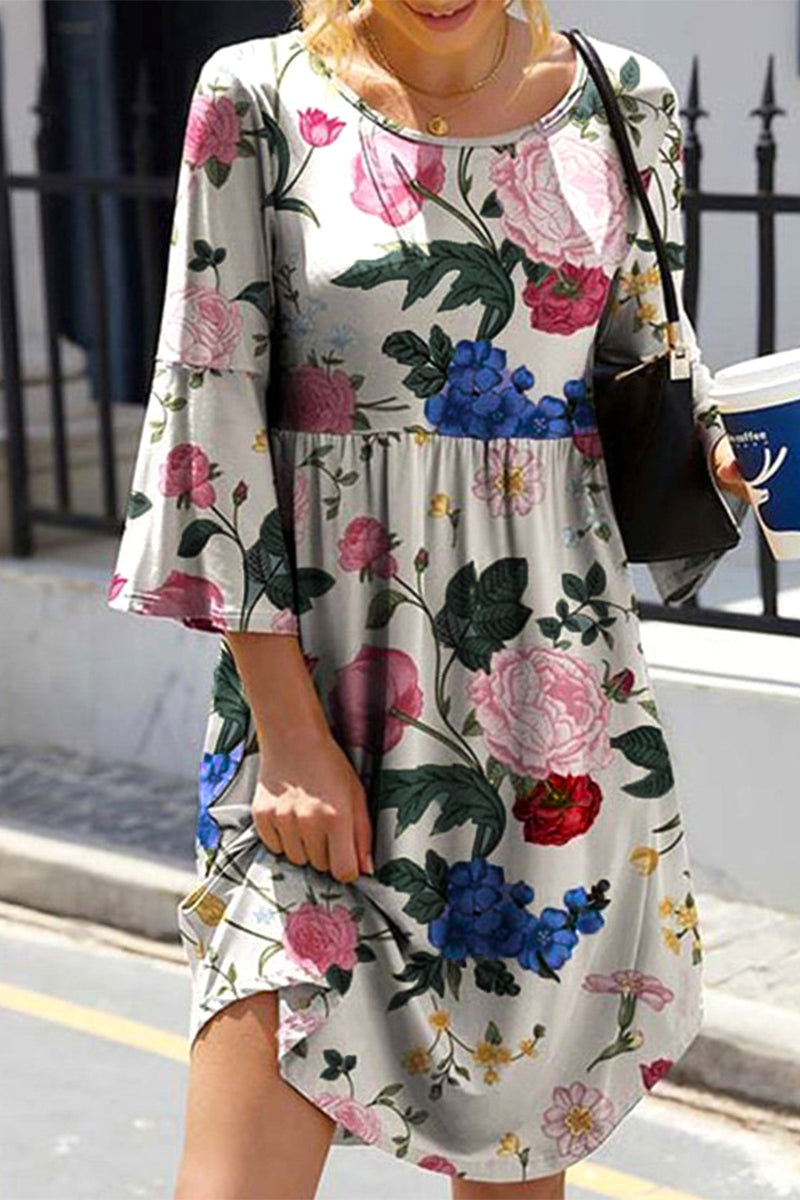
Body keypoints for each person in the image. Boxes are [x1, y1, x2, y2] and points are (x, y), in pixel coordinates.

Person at [107, 1, 753, 1196]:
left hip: (546, 712)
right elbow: (210, 410)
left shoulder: (625, 99)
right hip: (316, 701)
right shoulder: (256, 96)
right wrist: (287, 737)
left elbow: (640, 351)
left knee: (513, 1152)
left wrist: (726, 448)